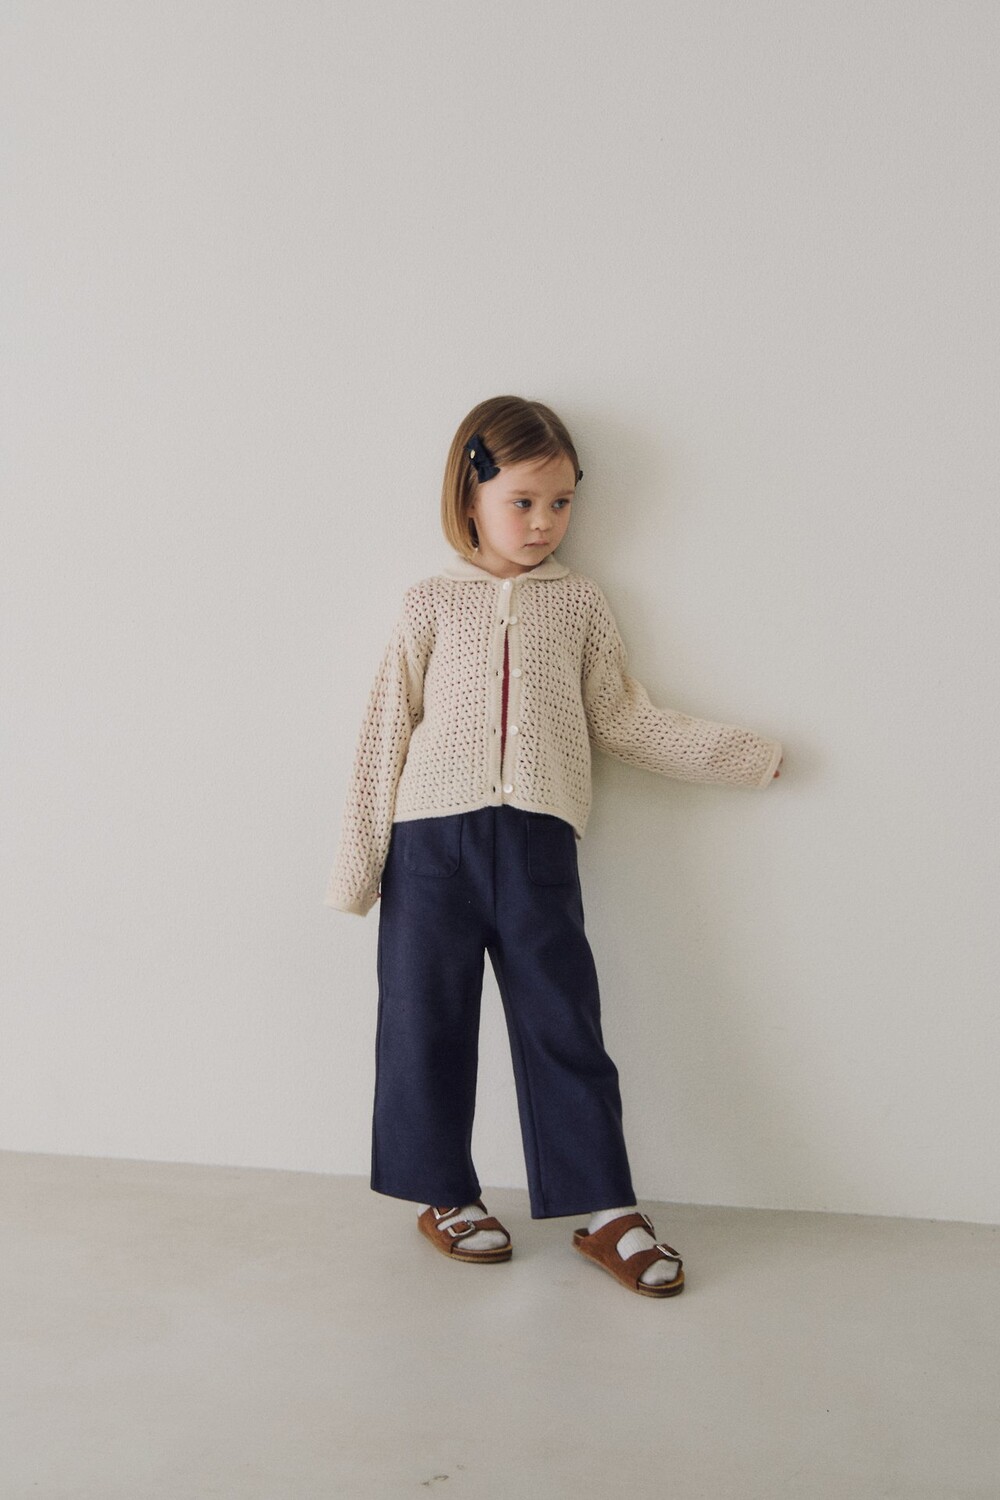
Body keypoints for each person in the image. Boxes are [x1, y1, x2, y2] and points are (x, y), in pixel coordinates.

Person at [323, 395, 783, 1298]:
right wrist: (357, 870)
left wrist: (742, 756)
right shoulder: (429, 604)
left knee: (565, 1025)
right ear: (471, 497)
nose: (543, 522)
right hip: (430, 846)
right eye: (523, 501)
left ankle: (607, 1211)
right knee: (423, 1023)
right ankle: (444, 1195)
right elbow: (384, 733)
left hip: (538, 843)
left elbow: (621, 717)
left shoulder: (579, 604)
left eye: (561, 502)